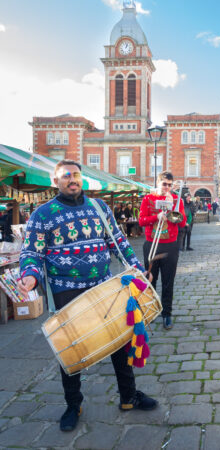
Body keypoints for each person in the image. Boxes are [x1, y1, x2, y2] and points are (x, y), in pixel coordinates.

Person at [17, 159, 157, 433]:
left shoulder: (99, 207)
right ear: (55, 181)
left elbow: (118, 241)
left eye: (76, 175)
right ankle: (73, 404)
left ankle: (129, 396)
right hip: (66, 288)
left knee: (120, 340)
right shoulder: (43, 214)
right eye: (66, 176)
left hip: (104, 285)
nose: (73, 180)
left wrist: (138, 269)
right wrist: (31, 275)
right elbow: (32, 251)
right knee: (72, 348)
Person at [139, 171, 186, 330]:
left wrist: (174, 205)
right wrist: (156, 217)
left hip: (171, 245)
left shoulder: (176, 199)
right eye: (164, 184)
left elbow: (182, 222)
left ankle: (167, 313)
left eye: (169, 185)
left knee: (168, 281)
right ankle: (150, 311)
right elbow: (141, 221)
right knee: (150, 280)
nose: (167, 187)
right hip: (151, 243)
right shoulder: (148, 199)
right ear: (158, 183)